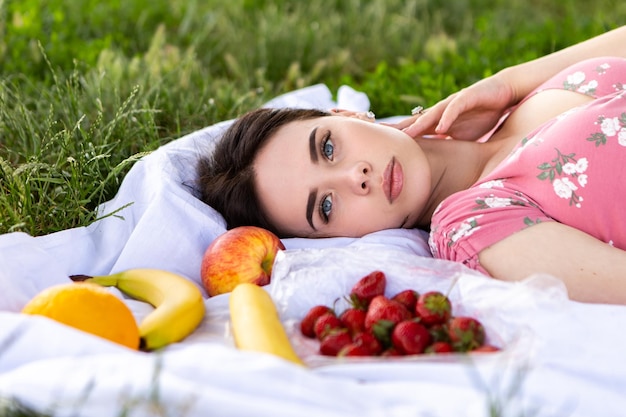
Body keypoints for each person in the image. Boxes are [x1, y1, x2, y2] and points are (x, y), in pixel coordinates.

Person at [197, 26, 626, 304]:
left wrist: (509, 82)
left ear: (346, 116)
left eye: (328, 148)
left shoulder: (505, 106)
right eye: (325, 207)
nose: (355, 177)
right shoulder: (472, 225)